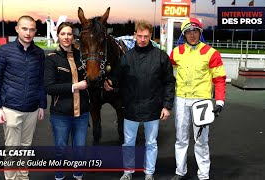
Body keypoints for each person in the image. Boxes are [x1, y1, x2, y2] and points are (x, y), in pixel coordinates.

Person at [104, 20, 176, 180]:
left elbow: (170, 82)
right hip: (131, 107)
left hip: (153, 107)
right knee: (128, 143)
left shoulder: (161, 57)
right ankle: (128, 171)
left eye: (146, 36)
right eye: (140, 36)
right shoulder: (127, 58)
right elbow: (116, 78)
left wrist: (167, 106)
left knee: (151, 143)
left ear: (151, 36)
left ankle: (149, 172)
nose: (142, 39)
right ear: (135, 35)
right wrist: (109, 82)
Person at [0, 15, 47, 180]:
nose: (28, 33)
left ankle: (23, 177)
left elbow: (41, 81)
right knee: (12, 148)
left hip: (32, 109)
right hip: (10, 109)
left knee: (26, 147)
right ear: (17, 29)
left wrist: (42, 105)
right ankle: (11, 178)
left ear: (35, 31)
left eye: (31, 29)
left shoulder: (39, 53)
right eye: (24, 28)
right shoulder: (4, 51)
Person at [169, 18, 226, 180]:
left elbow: (219, 79)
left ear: (200, 33)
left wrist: (220, 101)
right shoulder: (177, 52)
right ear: (184, 34)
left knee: (201, 140)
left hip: (202, 102)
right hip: (181, 99)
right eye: (188, 32)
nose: (192, 35)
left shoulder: (211, 53)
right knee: (181, 139)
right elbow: (164, 71)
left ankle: (203, 174)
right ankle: (180, 171)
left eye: (195, 31)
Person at [44, 22, 89, 180]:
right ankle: (59, 175)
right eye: (63, 34)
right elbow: (49, 87)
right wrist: (75, 86)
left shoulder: (81, 56)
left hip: (82, 113)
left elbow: (90, 78)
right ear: (58, 36)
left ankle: (78, 175)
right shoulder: (51, 59)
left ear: (73, 36)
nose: (66, 37)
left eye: (69, 34)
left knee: (80, 149)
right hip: (61, 114)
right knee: (61, 149)